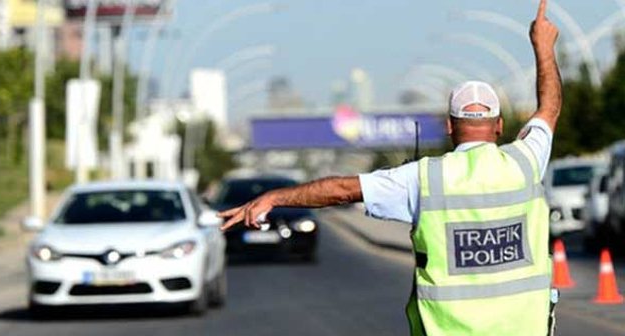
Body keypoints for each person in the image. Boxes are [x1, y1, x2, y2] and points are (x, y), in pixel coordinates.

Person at [219, 0, 560, 334]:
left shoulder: (423, 178)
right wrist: (543, 46)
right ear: (499, 125)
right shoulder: (526, 161)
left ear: (449, 127)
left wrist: (275, 198)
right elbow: (549, 108)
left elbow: (341, 190)